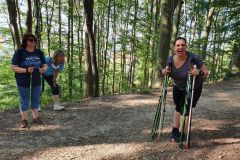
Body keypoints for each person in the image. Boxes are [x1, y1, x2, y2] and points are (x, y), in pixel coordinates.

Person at [162, 37, 209, 142]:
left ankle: (182, 132)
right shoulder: (170, 59)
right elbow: (168, 71)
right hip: (178, 86)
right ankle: (175, 131)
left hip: (193, 87)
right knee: (178, 107)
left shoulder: (193, 58)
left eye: (183, 45)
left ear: (186, 46)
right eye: (178, 45)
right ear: (174, 48)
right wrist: (164, 71)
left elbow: (206, 71)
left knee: (186, 109)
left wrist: (199, 72)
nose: (180, 47)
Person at [11, 33, 47, 128]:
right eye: (31, 40)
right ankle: (24, 120)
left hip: (36, 79)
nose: (33, 42)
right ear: (25, 41)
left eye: (35, 40)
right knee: (24, 100)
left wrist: (43, 69)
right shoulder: (19, 52)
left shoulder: (39, 52)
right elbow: (13, 67)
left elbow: (44, 64)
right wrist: (26, 70)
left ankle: (36, 117)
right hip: (23, 80)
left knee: (36, 99)